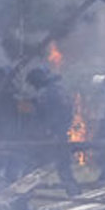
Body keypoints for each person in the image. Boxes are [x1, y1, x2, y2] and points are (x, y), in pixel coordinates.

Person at [26, 66, 81, 196]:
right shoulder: (58, 91)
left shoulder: (47, 94)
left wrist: (49, 131)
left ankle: (21, 199)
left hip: (49, 138)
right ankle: (77, 197)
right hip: (58, 137)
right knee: (64, 170)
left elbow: (46, 117)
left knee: (32, 170)